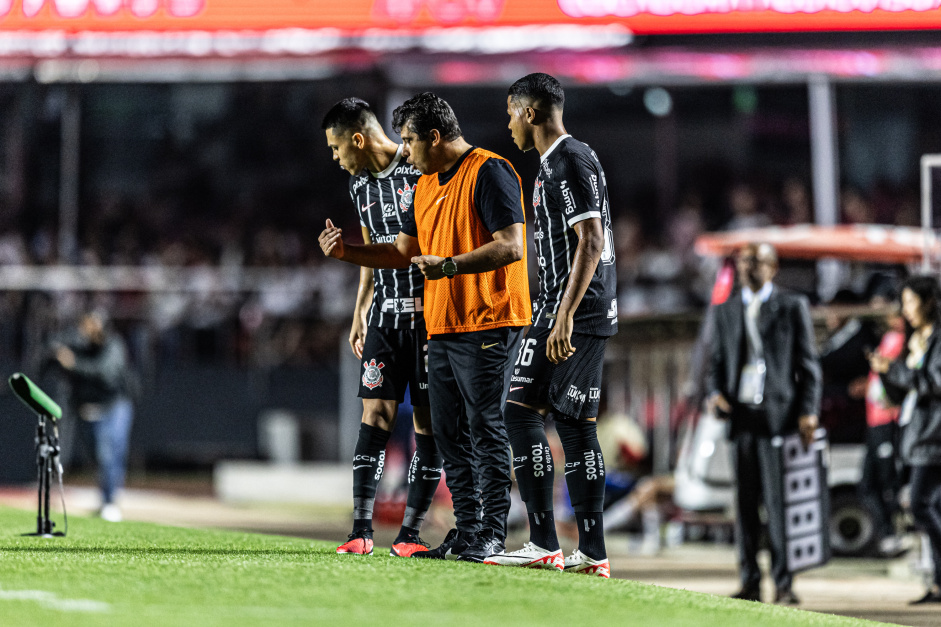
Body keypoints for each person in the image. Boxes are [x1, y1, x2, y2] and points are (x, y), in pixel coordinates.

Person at [319, 92, 531, 563]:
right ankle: (468, 528)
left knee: (480, 425)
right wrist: (347, 257)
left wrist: (451, 267)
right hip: (440, 322)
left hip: (487, 318)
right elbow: (397, 251)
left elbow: (514, 246)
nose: (406, 150)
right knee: (449, 431)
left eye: (411, 140)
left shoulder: (488, 170)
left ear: (433, 138)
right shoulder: (424, 185)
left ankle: (490, 531)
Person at [483, 73, 617, 578]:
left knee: (573, 424)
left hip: (576, 312)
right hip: (557, 308)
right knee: (519, 407)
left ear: (529, 112)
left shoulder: (571, 159)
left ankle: (590, 550)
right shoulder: (551, 165)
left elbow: (592, 240)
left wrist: (563, 314)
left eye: (510, 113)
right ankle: (546, 541)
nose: (509, 124)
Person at [320, 97, 442, 558]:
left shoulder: (421, 170)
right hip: (386, 317)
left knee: (428, 426)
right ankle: (360, 531)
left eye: (336, 148)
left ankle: (410, 535)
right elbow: (371, 252)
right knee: (375, 417)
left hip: (430, 318)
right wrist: (360, 310)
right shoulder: (359, 186)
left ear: (357, 138)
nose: (335, 159)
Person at [706, 242, 822, 605]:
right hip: (742, 416)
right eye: (742, 262)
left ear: (772, 267)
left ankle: (785, 583)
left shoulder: (791, 307)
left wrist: (808, 411)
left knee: (778, 503)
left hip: (778, 416)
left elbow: (809, 365)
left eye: (754, 262)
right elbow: (716, 363)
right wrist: (714, 394)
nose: (745, 268)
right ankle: (750, 580)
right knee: (743, 505)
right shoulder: (725, 309)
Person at [870, 276, 941, 604]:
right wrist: (886, 371)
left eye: (911, 302)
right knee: (931, 505)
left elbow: (932, 383)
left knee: (919, 504)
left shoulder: (936, 339)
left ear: (929, 302)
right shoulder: (918, 339)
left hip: (933, 436)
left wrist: (896, 371)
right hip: (918, 432)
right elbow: (906, 393)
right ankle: (938, 584)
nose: (906, 311)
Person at [48, 311, 135, 523]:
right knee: (98, 455)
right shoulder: (78, 342)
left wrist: (73, 363)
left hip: (114, 405)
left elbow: (106, 373)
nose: (88, 329)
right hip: (88, 409)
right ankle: (106, 499)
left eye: (92, 325)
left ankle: (110, 501)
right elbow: (53, 346)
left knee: (110, 452)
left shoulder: (113, 344)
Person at [861, 299, 905, 557]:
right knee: (867, 484)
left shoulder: (905, 342)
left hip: (890, 421)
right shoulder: (889, 338)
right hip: (875, 421)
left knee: (889, 482)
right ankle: (889, 532)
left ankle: (895, 533)